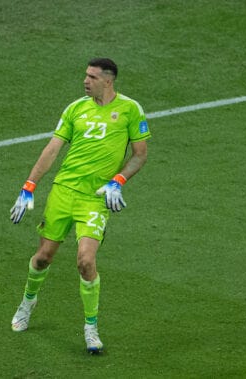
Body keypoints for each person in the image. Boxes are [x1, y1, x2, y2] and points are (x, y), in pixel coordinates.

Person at [9, 58, 151, 354]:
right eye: (85, 76)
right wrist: (28, 187)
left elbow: (140, 155)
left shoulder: (130, 110)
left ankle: (91, 328)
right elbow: (52, 149)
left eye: (92, 77)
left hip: (95, 199)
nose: (85, 81)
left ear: (108, 80)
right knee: (43, 257)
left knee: (86, 261)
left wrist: (118, 181)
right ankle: (27, 302)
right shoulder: (75, 108)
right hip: (63, 192)